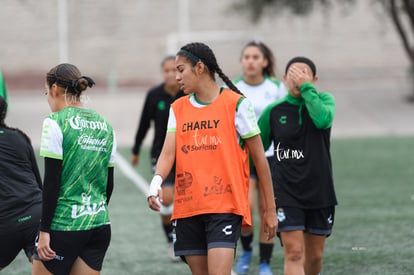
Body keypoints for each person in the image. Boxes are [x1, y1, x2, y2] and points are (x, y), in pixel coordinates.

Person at [147, 42, 278, 275]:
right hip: (188, 208)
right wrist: (156, 182)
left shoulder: (236, 104)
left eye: (180, 70)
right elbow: (168, 153)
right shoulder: (177, 108)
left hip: (224, 208)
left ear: (199, 68)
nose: (176, 77)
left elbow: (260, 160)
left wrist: (270, 210)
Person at [32, 63, 117, 275]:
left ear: (54, 89)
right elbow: (109, 183)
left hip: (64, 225)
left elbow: (51, 182)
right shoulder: (106, 125)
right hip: (99, 225)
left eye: (46, 92)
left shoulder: (55, 122)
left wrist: (44, 231)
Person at [257, 57, 337, 275]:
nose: (297, 79)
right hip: (286, 191)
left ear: (314, 79)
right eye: (293, 75)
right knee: (294, 252)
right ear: (284, 79)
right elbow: (255, 147)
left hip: (320, 191)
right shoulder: (273, 111)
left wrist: (306, 88)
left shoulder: (325, 101)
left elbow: (322, 120)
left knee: (315, 257)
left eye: (303, 74)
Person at [233, 40, 287, 275]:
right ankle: (246, 252)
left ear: (265, 62)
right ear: (241, 61)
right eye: (247, 57)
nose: (251, 61)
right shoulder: (232, 88)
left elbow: (285, 120)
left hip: (270, 157)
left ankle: (264, 262)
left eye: (256, 57)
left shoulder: (276, 88)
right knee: (247, 210)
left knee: (267, 209)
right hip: (244, 158)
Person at [131, 55, 183, 262]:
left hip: (188, 153)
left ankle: (186, 237)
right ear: (162, 73)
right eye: (167, 70)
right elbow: (144, 123)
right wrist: (135, 149)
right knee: (167, 198)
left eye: (175, 70)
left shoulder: (187, 93)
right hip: (161, 154)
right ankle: (172, 241)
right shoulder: (154, 95)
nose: (171, 74)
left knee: (187, 198)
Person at [0, 96, 42, 271]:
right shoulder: (20, 137)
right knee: (47, 267)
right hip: (37, 214)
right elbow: (38, 182)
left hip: (6, 223)